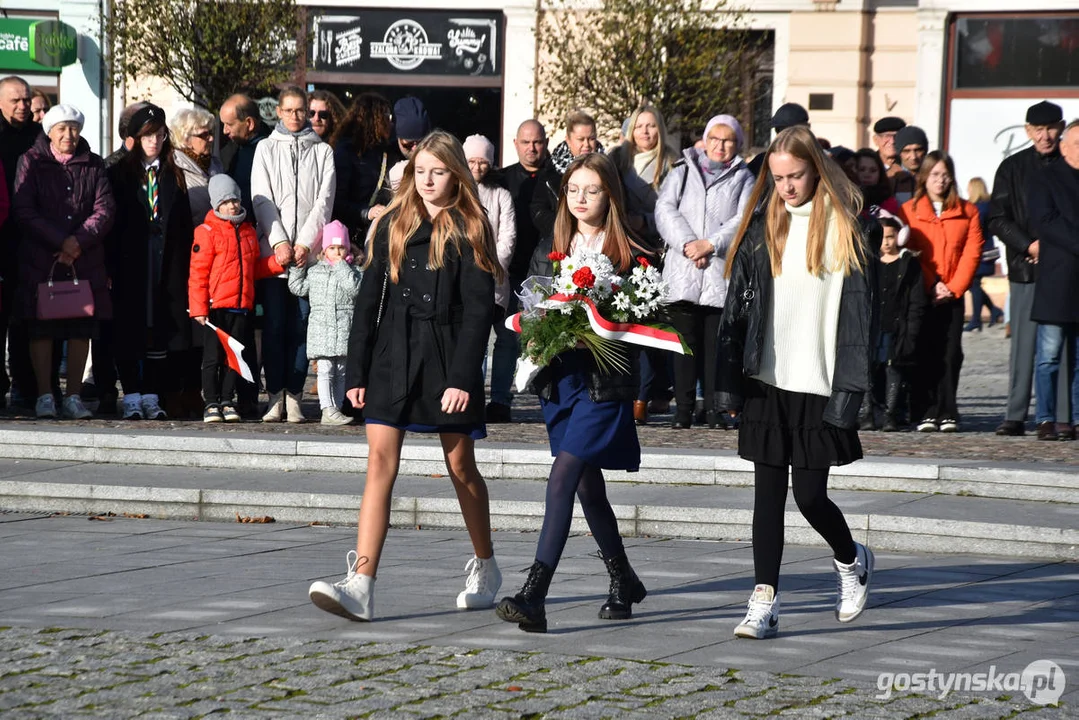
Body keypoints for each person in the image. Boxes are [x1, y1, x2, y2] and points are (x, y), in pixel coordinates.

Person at [308, 131, 503, 621]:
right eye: (420, 172)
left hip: (446, 359)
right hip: (392, 357)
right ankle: (362, 583)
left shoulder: (471, 225)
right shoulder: (394, 222)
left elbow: (479, 313)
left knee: (461, 468)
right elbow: (367, 302)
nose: (429, 181)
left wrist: (463, 377)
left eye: (438, 172)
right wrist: (357, 370)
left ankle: (486, 563)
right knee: (379, 463)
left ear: (456, 174)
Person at [717, 125, 877, 640]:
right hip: (768, 379)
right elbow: (736, 307)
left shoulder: (846, 228)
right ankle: (763, 600)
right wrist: (728, 377)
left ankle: (851, 560)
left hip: (819, 382)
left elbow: (862, 318)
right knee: (767, 496)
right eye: (778, 177)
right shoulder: (765, 224)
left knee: (809, 497)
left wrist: (852, 387)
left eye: (796, 175)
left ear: (816, 168)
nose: (786, 186)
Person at [496, 152, 651, 634]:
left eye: (593, 190)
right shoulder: (550, 243)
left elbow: (645, 317)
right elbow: (533, 307)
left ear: (610, 196)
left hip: (604, 383)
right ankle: (622, 578)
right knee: (586, 486)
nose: (582, 198)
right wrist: (547, 330)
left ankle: (534, 595)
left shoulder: (629, 251)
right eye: (574, 190)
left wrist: (606, 326)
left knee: (562, 478)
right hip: (559, 381)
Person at [12, 105, 114, 419]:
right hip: (42, 258)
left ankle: (73, 396)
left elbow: (105, 209)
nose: (68, 135)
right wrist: (60, 241)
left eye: (73, 128)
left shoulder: (93, 164)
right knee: (41, 328)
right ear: (49, 132)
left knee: (80, 327)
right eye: (61, 129)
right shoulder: (31, 161)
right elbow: (24, 208)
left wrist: (77, 242)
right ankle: (45, 395)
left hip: (83, 259)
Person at [655, 114, 754, 429]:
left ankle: (715, 410)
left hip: (718, 272)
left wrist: (710, 245)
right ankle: (682, 409)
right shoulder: (683, 170)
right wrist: (688, 245)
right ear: (705, 140)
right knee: (684, 346)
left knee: (716, 348)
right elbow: (664, 208)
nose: (721, 146)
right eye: (715, 139)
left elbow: (743, 219)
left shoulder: (744, 177)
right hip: (684, 271)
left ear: (737, 144)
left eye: (728, 141)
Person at [251, 85, 336, 423]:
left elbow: (324, 201)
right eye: (291, 110)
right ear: (280, 113)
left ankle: (296, 395)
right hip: (276, 257)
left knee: (302, 328)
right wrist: (279, 242)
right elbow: (261, 198)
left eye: (302, 110)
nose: (298, 116)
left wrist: (304, 243)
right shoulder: (266, 149)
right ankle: (275, 395)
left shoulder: (324, 152)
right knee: (273, 328)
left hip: (308, 258)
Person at [107, 104, 195, 421]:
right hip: (132, 259)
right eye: (147, 136)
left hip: (165, 258)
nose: (154, 142)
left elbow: (183, 224)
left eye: (159, 135)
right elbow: (112, 223)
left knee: (160, 327)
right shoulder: (120, 174)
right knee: (130, 326)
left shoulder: (172, 174)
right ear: (136, 138)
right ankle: (131, 393)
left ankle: (151, 394)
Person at [989, 101, 1067, 438]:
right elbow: (997, 217)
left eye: (1051, 128)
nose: (1045, 136)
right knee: (1023, 346)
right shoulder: (1012, 167)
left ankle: (1064, 415)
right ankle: (1015, 413)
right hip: (1025, 268)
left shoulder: (1070, 165)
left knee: (1062, 346)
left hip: (1064, 268)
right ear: (1027, 131)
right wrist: (1029, 245)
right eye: (1038, 129)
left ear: (1061, 128)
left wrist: (1055, 248)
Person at [900, 151, 984, 433]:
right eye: (935, 174)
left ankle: (947, 410)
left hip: (952, 293)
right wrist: (931, 281)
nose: (940, 180)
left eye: (945, 174)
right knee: (924, 350)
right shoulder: (910, 211)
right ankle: (925, 410)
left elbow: (972, 252)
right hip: (922, 293)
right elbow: (910, 251)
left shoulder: (967, 211)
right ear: (924, 177)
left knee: (950, 352)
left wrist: (953, 287)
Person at [189, 175, 284, 423]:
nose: (232, 205)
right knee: (212, 357)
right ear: (216, 204)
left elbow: (253, 268)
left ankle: (227, 400)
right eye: (226, 201)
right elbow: (198, 273)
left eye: (235, 200)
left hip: (241, 306)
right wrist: (199, 307)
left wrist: (275, 263)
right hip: (215, 307)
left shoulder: (248, 231)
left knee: (235, 357)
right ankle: (211, 401)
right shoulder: (206, 231)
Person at [608, 105, 679, 425]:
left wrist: (646, 220)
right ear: (631, 130)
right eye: (640, 126)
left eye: (652, 126)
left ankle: (645, 394)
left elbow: (679, 208)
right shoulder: (618, 160)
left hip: (659, 249)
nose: (646, 132)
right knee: (626, 324)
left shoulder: (671, 163)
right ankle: (630, 390)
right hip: (625, 247)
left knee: (653, 325)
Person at [489, 119, 551, 423]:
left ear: (546, 143)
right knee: (506, 337)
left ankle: (550, 397)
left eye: (537, 142)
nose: (532, 148)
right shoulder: (501, 179)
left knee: (547, 336)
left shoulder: (556, 177)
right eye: (526, 142)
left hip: (546, 268)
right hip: (510, 269)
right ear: (515, 144)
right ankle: (500, 398)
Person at [1027, 119, 1079, 442]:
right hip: (1057, 280)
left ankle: (1076, 417)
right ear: (1064, 146)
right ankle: (1046, 418)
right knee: (1048, 356)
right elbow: (1046, 221)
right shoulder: (1045, 178)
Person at [287, 220, 361, 426]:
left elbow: (354, 290)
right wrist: (297, 267)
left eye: (340, 247)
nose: (336, 252)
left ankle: (335, 409)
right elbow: (298, 288)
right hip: (321, 330)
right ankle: (327, 408)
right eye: (332, 248)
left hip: (345, 329)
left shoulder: (354, 271)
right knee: (326, 370)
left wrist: (341, 266)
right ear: (324, 250)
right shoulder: (316, 271)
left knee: (341, 372)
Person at [464, 134, 516, 414]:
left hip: (496, 277)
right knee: (475, 340)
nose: (477, 167)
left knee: (505, 340)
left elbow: (508, 235)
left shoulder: (501, 195)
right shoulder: (458, 192)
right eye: (471, 161)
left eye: (482, 162)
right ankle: (470, 394)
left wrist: (494, 265)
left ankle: (499, 399)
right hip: (466, 278)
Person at [861, 213, 926, 432]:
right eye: (882, 237)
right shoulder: (868, 261)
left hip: (895, 326)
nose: (886, 242)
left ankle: (890, 413)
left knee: (893, 368)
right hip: (872, 325)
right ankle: (868, 412)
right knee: (868, 368)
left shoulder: (907, 263)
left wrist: (912, 330)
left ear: (898, 236)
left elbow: (916, 301)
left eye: (890, 237)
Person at [0, 75, 42, 410]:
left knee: (27, 315)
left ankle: (27, 387)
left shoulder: (38, 137)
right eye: (15, 100)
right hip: (3, 235)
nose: (23, 106)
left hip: (31, 236)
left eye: (26, 99)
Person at [532, 111, 604, 243]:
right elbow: (538, 210)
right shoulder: (551, 171)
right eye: (581, 139)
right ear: (568, 140)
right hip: (559, 240)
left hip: (599, 238)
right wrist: (564, 227)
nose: (587, 144)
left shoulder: (607, 169)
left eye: (591, 138)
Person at [331, 92, 394, 243]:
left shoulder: (385, 151)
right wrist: (367, 212)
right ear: (374, 119)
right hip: (350, 235)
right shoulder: (346, 152)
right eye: (387, 116)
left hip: (378, 231)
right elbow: (337, 201)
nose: (391, 122)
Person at [219, 94, 273, 221]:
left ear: (249, 123)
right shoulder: (233, 148)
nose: (225, 131)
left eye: (229, 124)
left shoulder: (270, 151)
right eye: (223, 124)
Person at [170, 108, 222, 225]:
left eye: (210, 133)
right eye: (204, 135)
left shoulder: (216, 164)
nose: (211, 138)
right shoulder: (174, 166)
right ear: (186, 139)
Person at [964, 177, 1003, 332]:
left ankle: (976, 320)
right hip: (986, 251)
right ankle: (994, 310)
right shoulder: (988, 206)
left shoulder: (979, 209)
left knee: (973, 284)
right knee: (974, 284)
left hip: (980, 253)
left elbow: (974, 229)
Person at [746, 103, 809, 177]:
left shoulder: (815, 161)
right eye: (778, 130)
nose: (786, 187)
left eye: (797, 176)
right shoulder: (761, 162)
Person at [854, 148, 900, 216]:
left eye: (873, 170)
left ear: (880, 174)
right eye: (862, 169)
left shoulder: (889, 203)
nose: (867, 175)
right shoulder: (846, 200)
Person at [892, 126, 928, 204]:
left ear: (925, 151)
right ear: (899, 153)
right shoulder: (889, 179)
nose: (913, 157)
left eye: (918, 150)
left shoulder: (935, 177)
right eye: (906, 151)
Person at [392, 96, 431, 161]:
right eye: (409, 144)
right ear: (398, 139)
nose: (415, 148)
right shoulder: (385, 160)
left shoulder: (437, 159)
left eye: (421, 143)